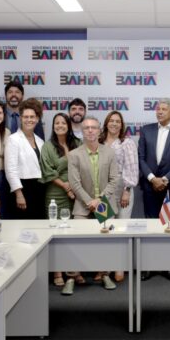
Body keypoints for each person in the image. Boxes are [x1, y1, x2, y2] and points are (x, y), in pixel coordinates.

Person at [67, 117, 120, 293]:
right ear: (82, 131)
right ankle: (72, 276)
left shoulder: (109, 153)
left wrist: (100, 200)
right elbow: (74, 183)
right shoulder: (74, 155)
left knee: (106, 241)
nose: (90, 131)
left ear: (99, 131)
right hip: (83, 205)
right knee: (75, 240)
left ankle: (104, 273)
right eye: (86, 128)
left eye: (93, 127)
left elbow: (114, 179)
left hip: (103, 204)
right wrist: (89, 202)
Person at [138, 99, 170, 282]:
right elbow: (141, 158)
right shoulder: (146, 130)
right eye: (158, 109)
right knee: (151, 227)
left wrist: (165, 179)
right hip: (150, 186)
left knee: (168, 227)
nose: (159, 112)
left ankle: (168, 266)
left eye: (164, 109)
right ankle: (149, 267)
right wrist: (152, 178)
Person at [40, 113, 80, 288]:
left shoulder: (77, 143)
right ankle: (57, 272)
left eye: (63, 122)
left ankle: (74, 271)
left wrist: (74, 187)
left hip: (77, 192)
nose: (60, 125)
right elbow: (47, 171)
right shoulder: (47, 146)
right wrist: (65, 186)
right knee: (56, 233)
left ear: (69, 125)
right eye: (57, 123)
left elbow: (83, 166)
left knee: (74, 234)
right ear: (53, 126)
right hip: (56, 192)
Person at [5, 99, 45, 219]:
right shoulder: (13, 139)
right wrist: (18, 193)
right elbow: (10, 169)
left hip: (39, 188)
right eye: (25, 117)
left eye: (32, 117)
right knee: (23, 225)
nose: (29, 120)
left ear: (37, 119)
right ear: (21, 118)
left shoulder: (40, 141)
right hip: (22, 189)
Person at [100, 111, 138, 221]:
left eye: (117, 121)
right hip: (103, 189)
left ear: (121, 125)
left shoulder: (127, 143)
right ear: (106, 123)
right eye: (111, 121)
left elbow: (132, 168)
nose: (114, 124)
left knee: (122, 224)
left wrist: (127, 191)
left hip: (122, 188)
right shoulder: (99, 142)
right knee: (104, 223)